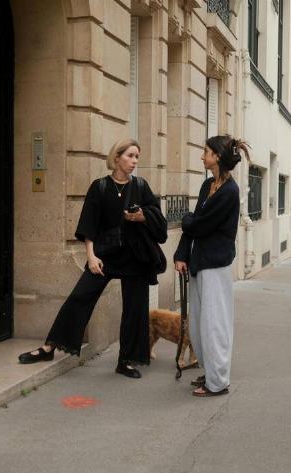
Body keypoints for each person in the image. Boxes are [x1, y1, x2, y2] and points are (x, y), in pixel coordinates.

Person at [18, 138, 167, 379]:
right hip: (105, 255)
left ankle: (126, 360)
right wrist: (91, 256)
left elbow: (158, 220)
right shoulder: (99, 187)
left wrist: (142, 217)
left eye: (137, 157)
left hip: (136, 257)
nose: (134, 161)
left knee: (135, 309)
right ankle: (49, 347)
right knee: (80, 297)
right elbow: (89, 225)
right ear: (116, 157)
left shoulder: (141, 186)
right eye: (130, 156)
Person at [174, 135, 249, 397]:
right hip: (199, 262)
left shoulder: (230, 192)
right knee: (198, 323)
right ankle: (210, 372)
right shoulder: (209, 185)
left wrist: (187, 219)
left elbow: (199, 224)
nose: (201, 155)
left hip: (215, 265)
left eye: (204, 151)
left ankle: (218, 382)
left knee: (214, 323)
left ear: (216, 156)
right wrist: (181, 254)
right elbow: (194, 226)